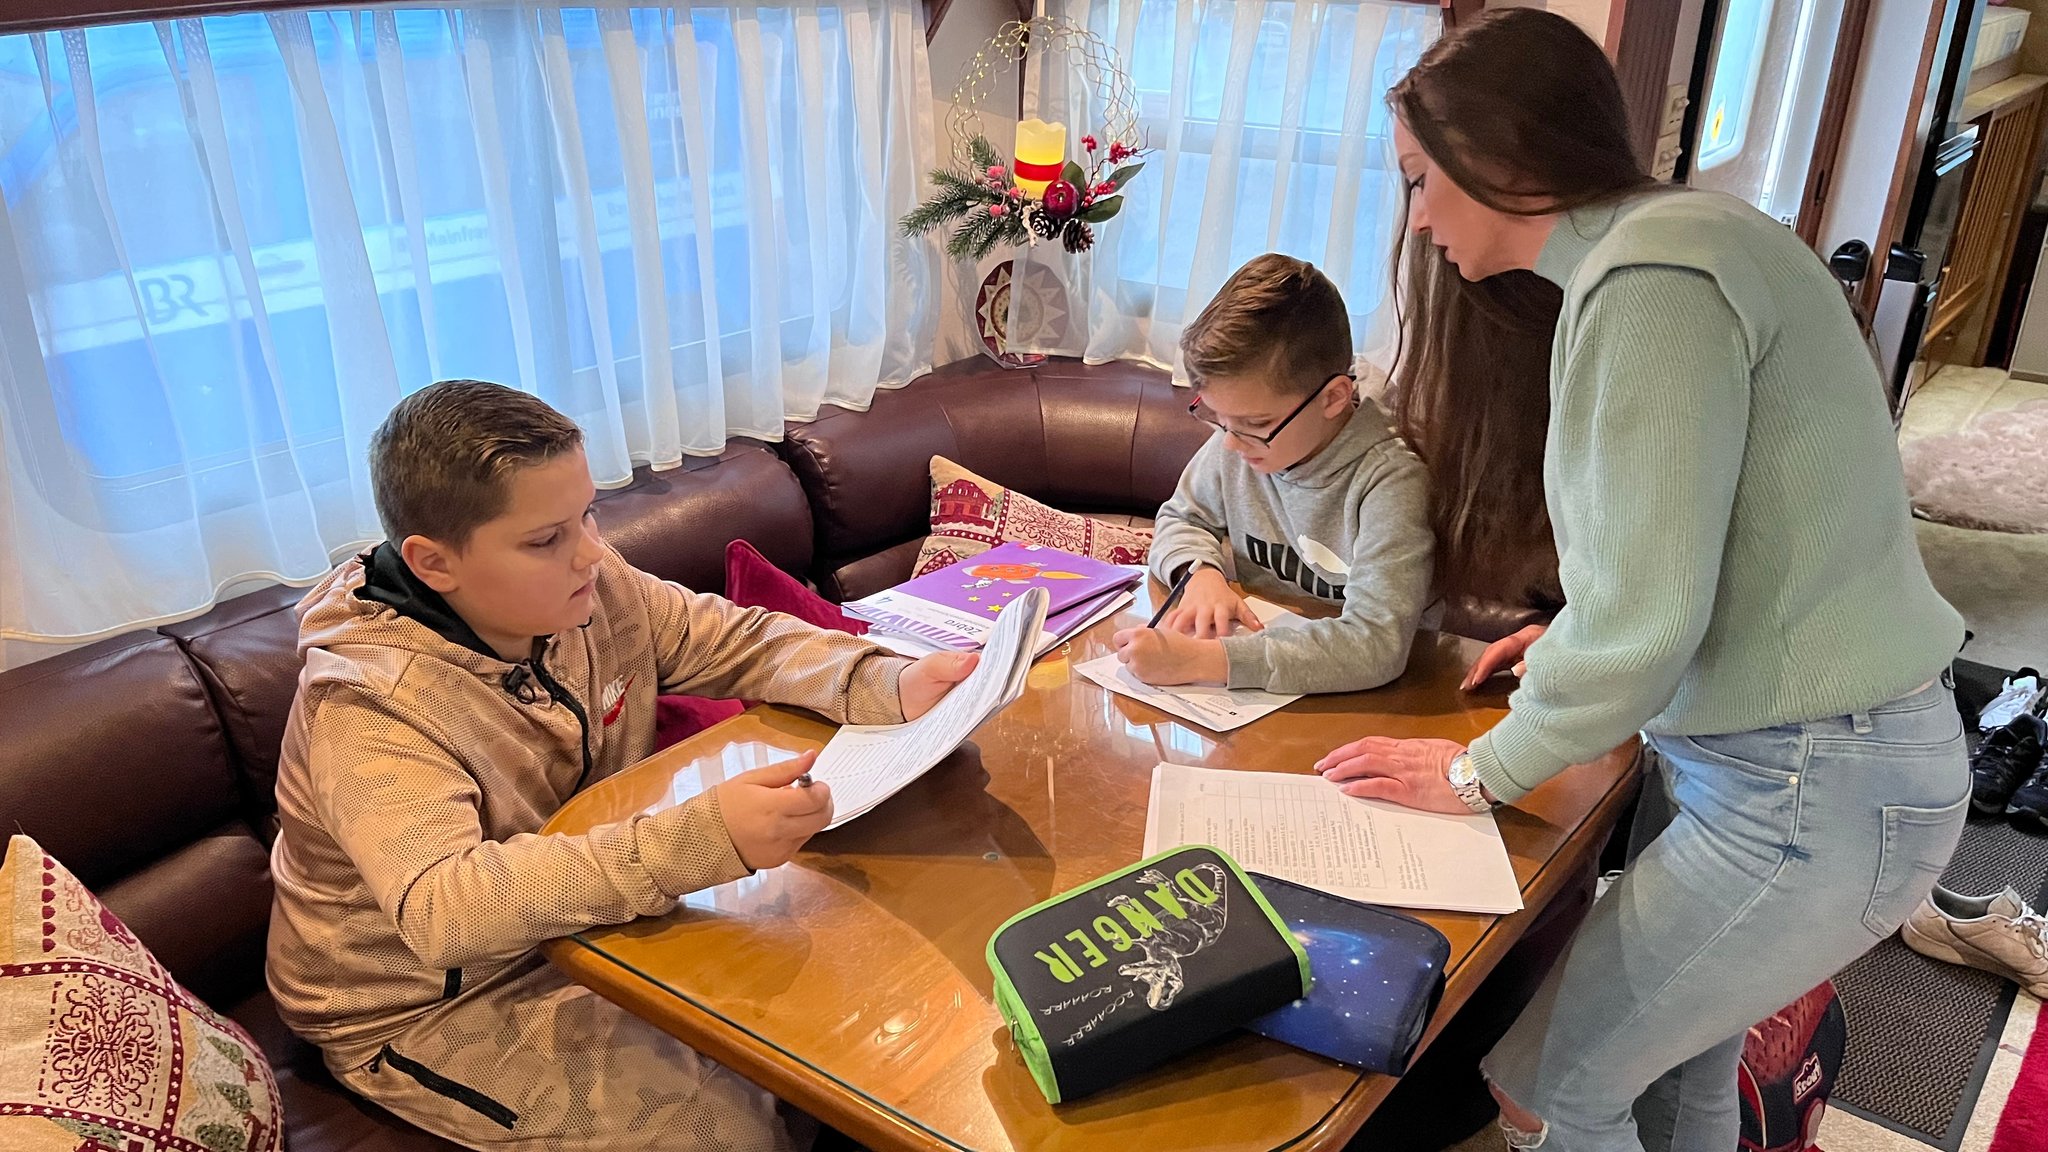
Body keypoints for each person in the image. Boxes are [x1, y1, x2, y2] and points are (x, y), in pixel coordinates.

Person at [1316, 12, 1969, 1151]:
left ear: (1502, 160)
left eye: (1420, 182)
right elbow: (1695, 561)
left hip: (1808, 786)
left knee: (1547, 1088)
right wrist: (1571, 645)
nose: (1415, 219)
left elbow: (1646, 618)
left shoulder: (1648, 276)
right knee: (1669, 1085)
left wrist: (1479, 771)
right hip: (1819, 765)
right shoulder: (1676, 242)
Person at [266, 379, 976, 1151]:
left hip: (589, 921)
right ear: (433, 564)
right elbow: (447, 909)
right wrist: (701, 838)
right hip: (427, 1002)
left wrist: (880, 678)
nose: (592, 553)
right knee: (721, 1131)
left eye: (588, 514)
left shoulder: (591, 588)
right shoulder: (369, 706)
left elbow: (726, 640)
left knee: (857, 999)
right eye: (546, 539)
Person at [1115, 253, 1435, 695]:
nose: (1229, 442)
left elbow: (1376, 641)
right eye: (1218, 418)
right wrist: (1200, 574)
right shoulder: (1242, 441)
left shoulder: (1391, 479)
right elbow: (1182, 517)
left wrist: (1207, 660)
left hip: (1374, 702)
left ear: (1334, 398)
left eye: (1254, 425)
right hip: (1262, 694)